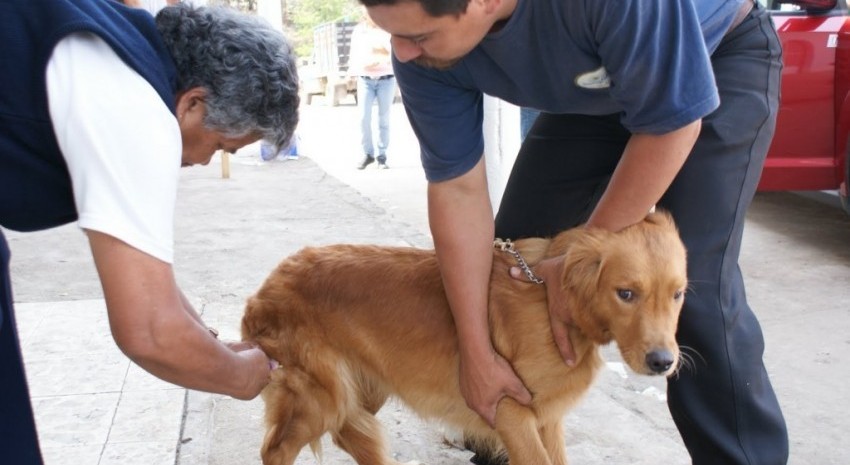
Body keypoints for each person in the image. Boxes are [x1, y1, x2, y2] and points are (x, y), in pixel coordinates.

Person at [358, 0, 787, 464]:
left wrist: (578, 261)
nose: (399, 53)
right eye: (394, 35)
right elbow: (457, 192)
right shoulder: (420, 57)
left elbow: (670, 125)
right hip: (591, 97)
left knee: (688, 286)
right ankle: (508, 441)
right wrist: (477, 355)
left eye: (418, 37)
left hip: (710, 61)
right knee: (517, 273)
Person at [0, 2, 299, 463]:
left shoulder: (122, 48)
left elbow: (142, 270)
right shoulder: (136, 109)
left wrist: (211, 342)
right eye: (221, 146)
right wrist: (244, 376)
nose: (202, 162)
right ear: (192, 103)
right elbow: (150, 332)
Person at [348, 13, 396, 170]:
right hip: (365, 79)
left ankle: (382, 156)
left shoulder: (387, 28)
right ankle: (368, 154)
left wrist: (381, 55)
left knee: (384, 119)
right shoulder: (359, 31)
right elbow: (354, 54)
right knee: (363, 118)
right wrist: (351, 74)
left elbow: (393, 51)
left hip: (386, 79)